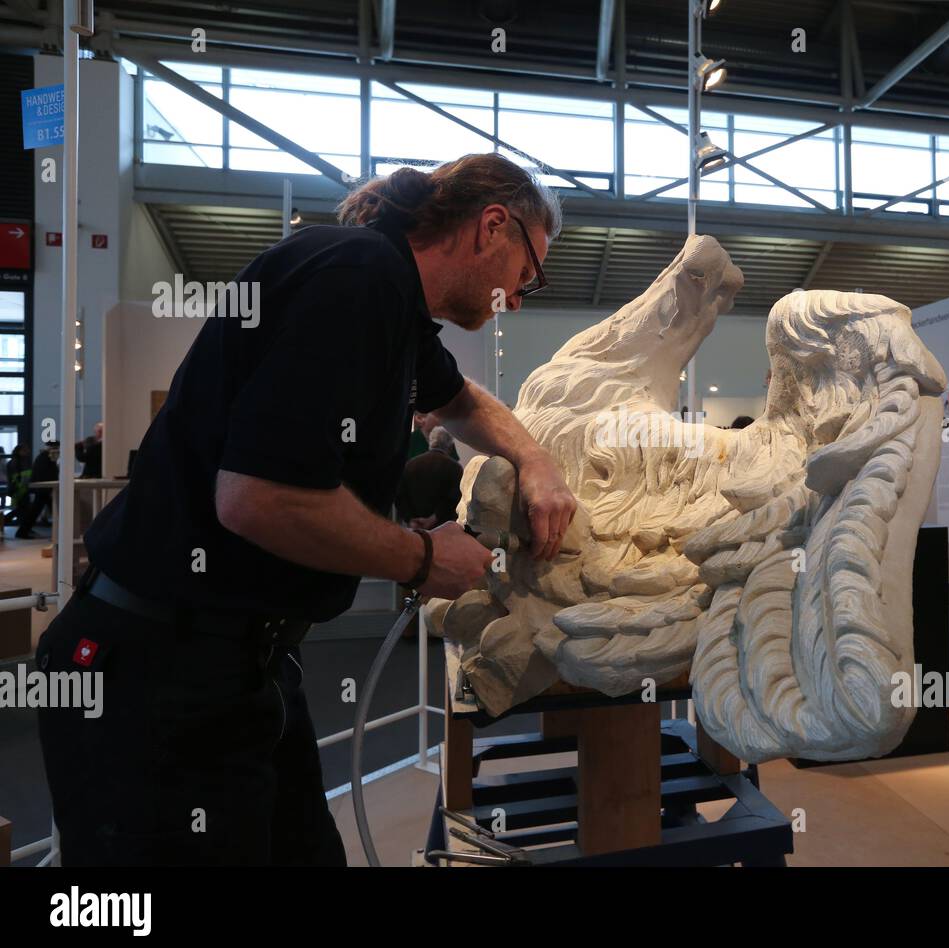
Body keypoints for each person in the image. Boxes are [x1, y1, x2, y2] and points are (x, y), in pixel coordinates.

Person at [36, 153, 578, 866]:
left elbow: (458, 399)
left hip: (242, 666)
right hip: (159, 675)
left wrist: (534, 459)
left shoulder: (390, 297)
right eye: (529, 272)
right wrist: (422, 558)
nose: (521, 293)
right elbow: (257, 498)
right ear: (493, 227)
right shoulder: (358, 279)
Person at [16, 441, 57, 539]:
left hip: (43, 489)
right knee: (37, 511)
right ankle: (22, 532)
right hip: (44, 490)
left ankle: (22, 531)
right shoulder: (46, 458)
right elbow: (48, 474)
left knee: (35, 511)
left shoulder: (43, 457)